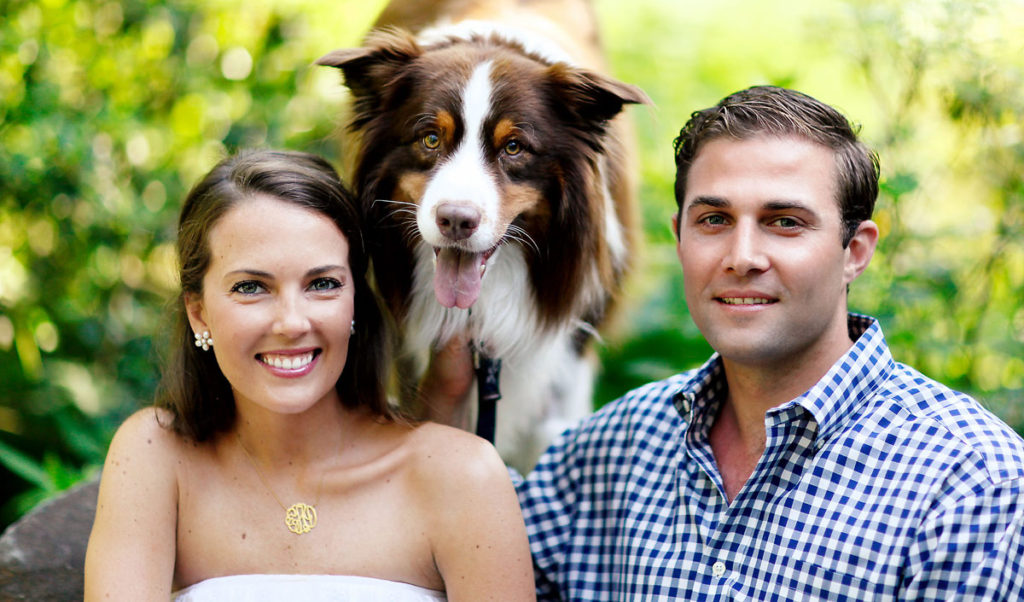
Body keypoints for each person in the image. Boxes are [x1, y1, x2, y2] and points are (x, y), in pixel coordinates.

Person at [425, 86, 1024, 600]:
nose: (742, 258)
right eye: (713, 220)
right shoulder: (609, 454)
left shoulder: (970, 481)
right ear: (680, 238)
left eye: (784, 222)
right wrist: (445, 396)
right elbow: (444, 563)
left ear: (856, 251)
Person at [84, 150, 536, 601]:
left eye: (322, 284)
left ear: (355, 301)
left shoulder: (461, 474)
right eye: (251, 287)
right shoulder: (156, 456)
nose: (292, 323)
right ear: (199, 313)